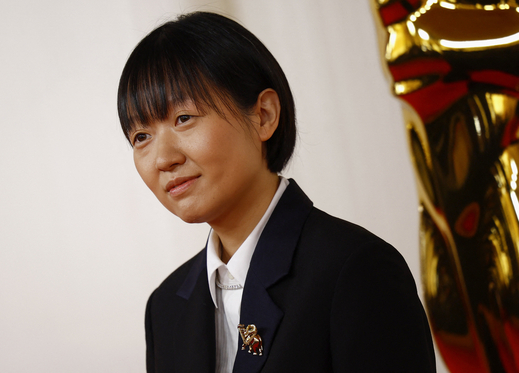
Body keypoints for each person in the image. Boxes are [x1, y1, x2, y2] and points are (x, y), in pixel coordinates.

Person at [117, 11, 436, 373]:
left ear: (264, 115)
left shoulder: (355, 272)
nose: (163, 158)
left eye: (183, 118)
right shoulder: (165, 307)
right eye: (141, 137)